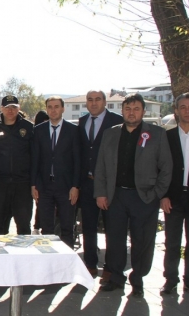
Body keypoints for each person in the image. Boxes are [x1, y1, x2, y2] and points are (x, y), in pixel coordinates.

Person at [95, 93, 172, 297]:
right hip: (116, 196)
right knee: (115, 240)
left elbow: (166, 168)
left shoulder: (157, 133)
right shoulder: (110, 133)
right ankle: (116, 278)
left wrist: (156, 193)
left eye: (136, 109)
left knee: (142, 241)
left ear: (143, 111)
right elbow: (101, 166)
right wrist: (101, 193)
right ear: (122, 111)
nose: (132, 112)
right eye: (128, 109)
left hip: (144, 197)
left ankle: (137, 280)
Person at [161, 93, 189, 296]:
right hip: (173, 198)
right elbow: (160, 169)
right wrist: (163, 195)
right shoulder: (166, 137)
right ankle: (170, 280)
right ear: (176, 111)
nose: (187, 111)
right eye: (183, 107)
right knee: (172, 241)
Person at [77, 90, 123, 277]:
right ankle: (90, 263)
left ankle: (111, 268)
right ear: (86, 103)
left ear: (105, 101)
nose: (93, 103)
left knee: (112, 227)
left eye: (97, 99)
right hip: (87, 184)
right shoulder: (82, 122)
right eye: (90, 100)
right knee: (88, 226)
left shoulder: (117, 121)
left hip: (110, 185)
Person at [31, 96, 80, 248]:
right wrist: (33, 184)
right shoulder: (38, 130)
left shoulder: (73, 130)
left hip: (66, 187)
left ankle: (66, 263)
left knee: (66, 227)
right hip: (44, 187)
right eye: (50, 107)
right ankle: (48, 260)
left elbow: (78, 161)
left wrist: (75, 186)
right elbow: (35, 159)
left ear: (63, 109)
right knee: (47, 229)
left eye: (56, 106)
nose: (53, 110)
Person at [0, 95, 34, 235]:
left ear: (19, 108)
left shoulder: (28, 128)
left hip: (22, 185)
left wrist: (34, 184)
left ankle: (22, 257)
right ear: (1, 109)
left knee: (23, 226)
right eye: (7, 107)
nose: (10, 110)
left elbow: (35, 158)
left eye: (14, 107)